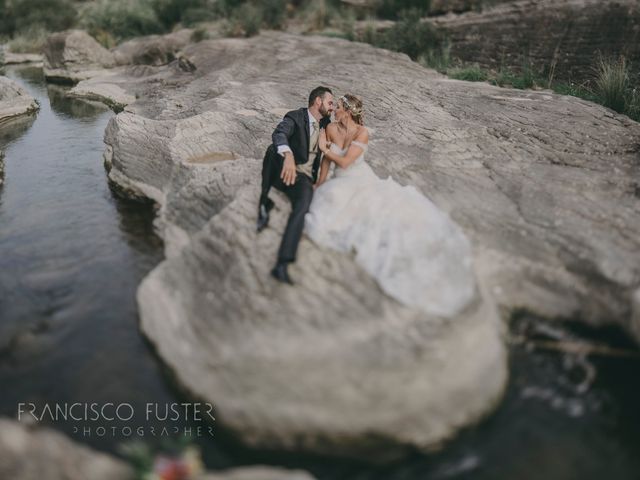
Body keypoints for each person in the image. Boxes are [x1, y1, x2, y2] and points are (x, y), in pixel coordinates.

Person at [305, 94, 476, 317]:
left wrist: (324, 148)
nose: (333, 110)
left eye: (337, 107)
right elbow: (327, 162)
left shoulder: (362, 133)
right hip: (339, 182)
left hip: (359, 178)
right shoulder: (330, 128)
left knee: (380, 213)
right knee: (332, 203)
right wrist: (319, 181)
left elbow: (345, 162)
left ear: (347, 111)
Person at [257, 86, 334, 284]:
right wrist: (288, 155)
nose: (332, 107)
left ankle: (282, 263)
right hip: (285, 169)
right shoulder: (295, 117)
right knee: (272, 151)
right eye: (330, 103)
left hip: (303, 179)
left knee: (303, 205)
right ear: (318, 101)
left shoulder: (327, 124)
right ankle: (264, 202)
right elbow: (279, 134)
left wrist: (319, 180)